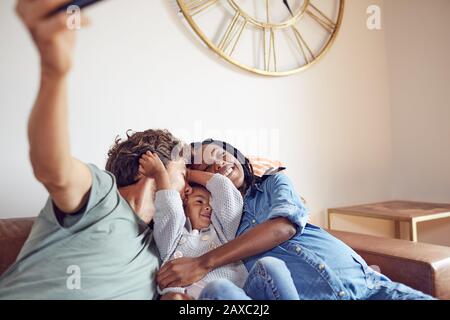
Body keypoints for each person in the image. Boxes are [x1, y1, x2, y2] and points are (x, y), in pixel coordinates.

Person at [0, 0, 191, 299]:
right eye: (184, 175)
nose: (189, 188)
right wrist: (54, 72)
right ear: (152, 166)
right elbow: (54, 169)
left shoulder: (163, 251)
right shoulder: (101, 194)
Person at [156, 139, 436, 300]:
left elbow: (284, 226)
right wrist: (186, 175)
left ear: (239, 158)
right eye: (206, 168)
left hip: (370, 287)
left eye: (220, 155)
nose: (217, 165)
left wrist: (203, 263)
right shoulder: (220, 223)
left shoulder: (273, 182)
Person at [139, 152, 299, 300]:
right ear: (184, 206)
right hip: (204, 295)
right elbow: (170, 210)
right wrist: (161, 175)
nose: (208, 207)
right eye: (199, 201)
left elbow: (225, 191)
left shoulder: (223, 231)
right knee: (218, 287)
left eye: (211, 203)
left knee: (271, 264)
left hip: (246, 293)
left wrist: (190, 174)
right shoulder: (171, 238)